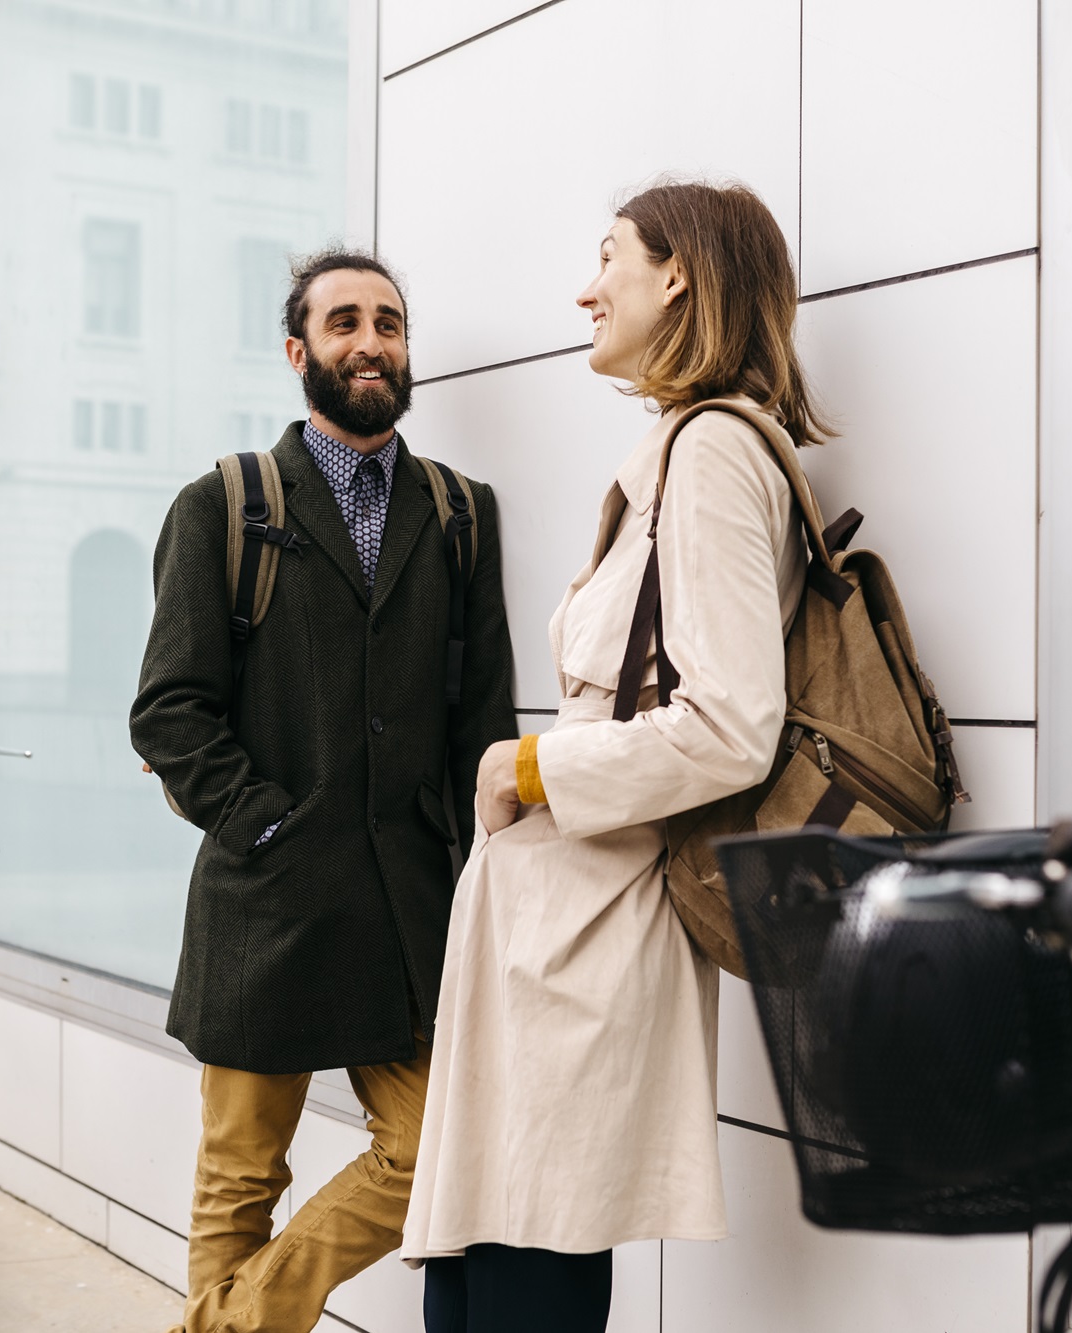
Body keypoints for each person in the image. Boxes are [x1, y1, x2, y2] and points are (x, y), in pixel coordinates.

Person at [401, 181, 827, 1333]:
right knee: (479, 1269)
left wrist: (525, 768)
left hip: (592, 931)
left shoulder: (713, 455)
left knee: (521, 1280)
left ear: (676, 273)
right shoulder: (677, 455)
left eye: (608, 260)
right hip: (556, 925)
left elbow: (732, 723)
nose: (584, 289)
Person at [130, 248, 516, 1333]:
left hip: (408, 908)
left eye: (388, 323)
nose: (371, 341)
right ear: (299, 351)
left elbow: (481, 726)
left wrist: (483, 873)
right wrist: (267, 823)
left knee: (435, 1148)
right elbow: (169, 711)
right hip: (268, 898)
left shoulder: (459, 514)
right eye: (344, 322)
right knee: (240, 1174)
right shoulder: (224, 505)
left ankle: (221, 1325)